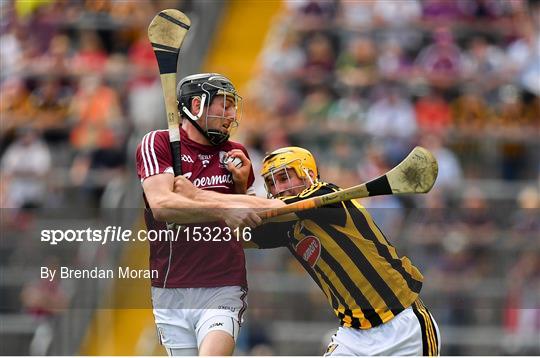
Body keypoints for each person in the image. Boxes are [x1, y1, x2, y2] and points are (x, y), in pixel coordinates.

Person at [135, 73, 279, 356]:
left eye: (232, 106)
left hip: (222, 283)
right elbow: (162, 206)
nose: (231, 114)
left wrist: (238, 187)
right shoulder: (158, 143)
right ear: (197, 106)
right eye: (223, 106)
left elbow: (243, 226)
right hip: (170, 288)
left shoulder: (235, 153)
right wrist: (223, 207)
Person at [248, 146, 441, 356]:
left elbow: (262, 211)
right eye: (271, 183)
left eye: (284, 178)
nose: (278, 188)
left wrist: (232, 205)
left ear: (309, 174)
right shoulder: (285, 227)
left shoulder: (326, 195)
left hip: (403, 327)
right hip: (353, 336)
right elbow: (233, 236)